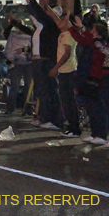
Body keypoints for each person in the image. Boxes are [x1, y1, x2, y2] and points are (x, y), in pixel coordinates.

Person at [25, 0, 63, 130]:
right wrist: (29, 2)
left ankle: (54, 119)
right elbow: (36, 16)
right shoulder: (43, 27)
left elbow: (40, 15)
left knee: (50, 91)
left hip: (46, 60)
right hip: (39, 60)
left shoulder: (52, 25)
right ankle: (44, 117)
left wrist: (32, 1)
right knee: (42, 91)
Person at [47, 8, 81, 137]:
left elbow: (66, 54)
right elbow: (55, 19)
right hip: (64, 71)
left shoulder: (69, 35)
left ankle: (74, 128)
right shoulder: (63, 33)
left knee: (69, 101)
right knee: (65, 101)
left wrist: (55, 68)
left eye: (64, 20)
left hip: (68, 71)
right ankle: (71, 127)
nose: (59, 21)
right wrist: (48, 9)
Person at [2, 16, 33, 115]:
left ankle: (28, 109)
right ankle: (10, 108)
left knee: (28, 87)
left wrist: (24, 50)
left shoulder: (30, 35)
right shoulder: (12, 35)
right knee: (14, 86)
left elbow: (33, 48)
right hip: (16, 63)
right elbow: (6, 36)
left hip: (28, 63)